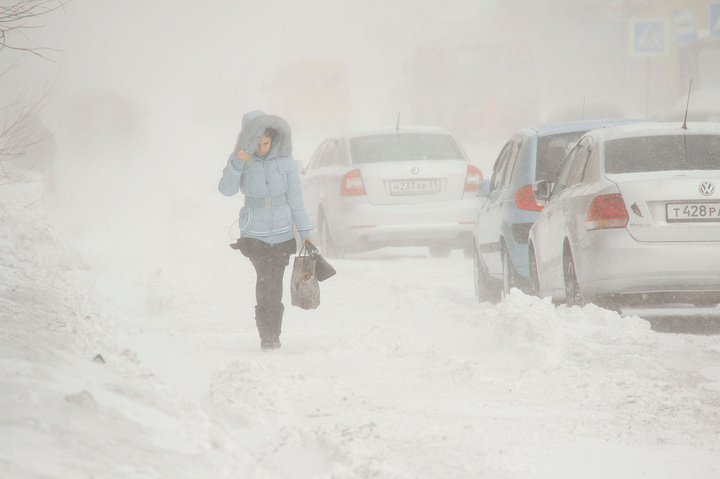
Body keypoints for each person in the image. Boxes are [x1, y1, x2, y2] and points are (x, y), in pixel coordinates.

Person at [218, 110, 313, 351]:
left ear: (273, 139)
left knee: (275, 282)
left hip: (282, 232)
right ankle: (266, 335)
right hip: (255, 233)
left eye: (266, 143)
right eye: (257, 143)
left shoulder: (285, 160)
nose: (261, 148)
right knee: (265, 280)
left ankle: (274, 334)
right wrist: (237, 164)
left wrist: (305, 231)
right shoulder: (240, 159)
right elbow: (226, 190)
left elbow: (296, 198)